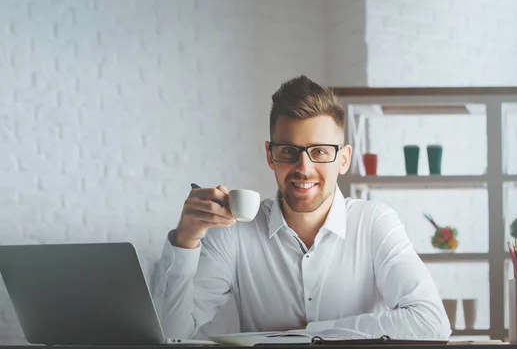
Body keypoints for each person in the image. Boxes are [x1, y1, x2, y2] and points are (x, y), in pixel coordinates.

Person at [150, 76, 451, 340]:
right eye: (289, 151)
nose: (303, 168)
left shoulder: (375, 223)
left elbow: (430, 322)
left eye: (320, 151)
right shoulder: (234, 233)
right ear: (271, 156)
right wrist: (186, 241)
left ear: (343, 159)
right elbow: (171, 334)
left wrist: (311, 332)